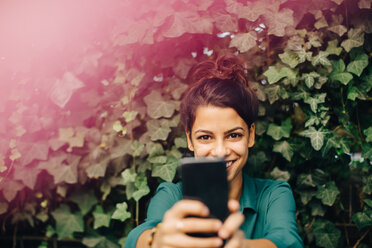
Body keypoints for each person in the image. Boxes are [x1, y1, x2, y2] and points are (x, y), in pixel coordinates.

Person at [125, 54, 303, 248]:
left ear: (251, 135)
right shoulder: (171, 195)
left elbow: (287, 241)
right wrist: (156, 241)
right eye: (205, 137)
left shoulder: (273, 195)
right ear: (190, 140)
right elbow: (140, 236)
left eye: (233, 135)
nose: (219, 152)